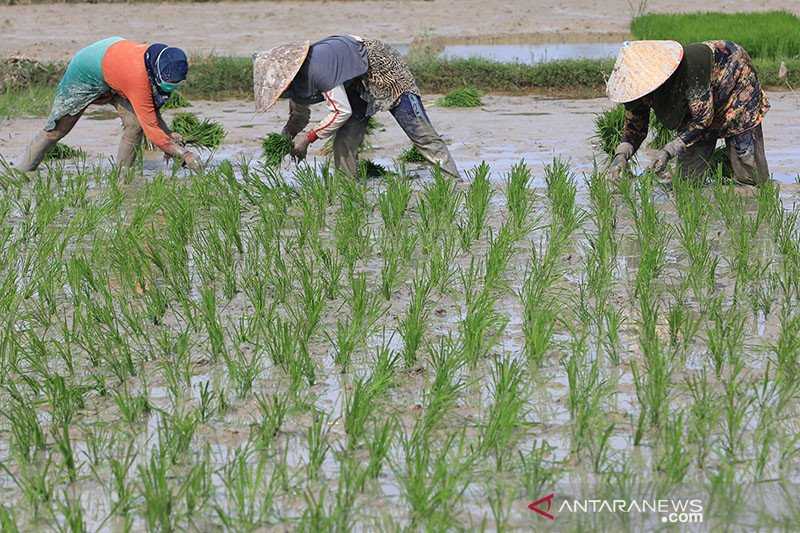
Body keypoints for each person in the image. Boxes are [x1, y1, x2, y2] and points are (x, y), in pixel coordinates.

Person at [253, 35, 459, 178]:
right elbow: (299, 116)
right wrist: (287, 135)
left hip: (383, 67)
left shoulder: (317, 70)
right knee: (344, 142)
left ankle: (453, 182)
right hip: (353, 85)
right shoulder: (295, 83)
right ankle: (348, 191)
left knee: (420, 132)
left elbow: (341, 111)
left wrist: (307, 139)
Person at [17, 37, 200, 171]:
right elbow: (151, 128)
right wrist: (185, 154)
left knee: (135, 125)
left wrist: (168, 135)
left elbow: (149, 112)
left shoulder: (158, 61)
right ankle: (22, 171)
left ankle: (123, 176)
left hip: (113, 66)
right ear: (155, 71)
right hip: (86, 70)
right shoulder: (137, 77)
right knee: (56, 131)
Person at [606, 40, 770, 185]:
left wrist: (668, 151)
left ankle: (747, 183)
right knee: (687, 182)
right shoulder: (635, 89)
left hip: (734, 81)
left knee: (749, 172)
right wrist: (620, 156)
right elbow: (635, 128)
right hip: (695, 105)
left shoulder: (690, 68)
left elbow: (702, 120)